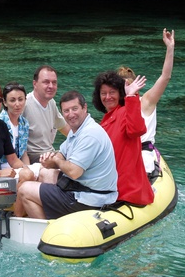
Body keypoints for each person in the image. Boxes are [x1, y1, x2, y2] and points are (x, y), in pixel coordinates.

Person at [17, 90, 118, 219]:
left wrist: (57, 162)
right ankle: (37, 212)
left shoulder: (90, 134)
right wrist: (50, 160)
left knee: (24, 189)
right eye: (66, 111)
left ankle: (45, 231)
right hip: (84, 187)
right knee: (43, 173)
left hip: (91, 199)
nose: (71, 114)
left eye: (74, 109)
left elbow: (74, 172)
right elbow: (61, 154)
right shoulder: (77, 130)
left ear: (84, 107)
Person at [117, 28, 175, 179]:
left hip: (143, 159)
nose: (127, 90)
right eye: (122, 88)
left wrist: (170, 48)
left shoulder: (146, 102)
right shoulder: (116, 109)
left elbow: (165, 77)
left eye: (129, 86)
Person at [92, 71, 154, 206]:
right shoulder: (103, 123)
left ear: (120, 93)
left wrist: (131, 96)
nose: (108, 97)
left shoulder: (125, 112)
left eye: (112, 92)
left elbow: (137, 129)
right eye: (103, 93)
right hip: (108, 189)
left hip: (127, 192)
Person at [22, 65, 69, 164]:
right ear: (35, 84)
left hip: (49, 153)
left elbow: (65, 129)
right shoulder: (24, 105)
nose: (51, 86)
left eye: (54, 82)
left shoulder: (51, 103)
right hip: (33, 156)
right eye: (46, 82)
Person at [0, 82, 31, 169]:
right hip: (0, 168)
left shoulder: (24, 124)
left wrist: (29, 169)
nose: (17, 104)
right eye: (12, 100)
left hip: (19, 167)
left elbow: (24, 154)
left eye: (20, 99)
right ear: (4, 102)